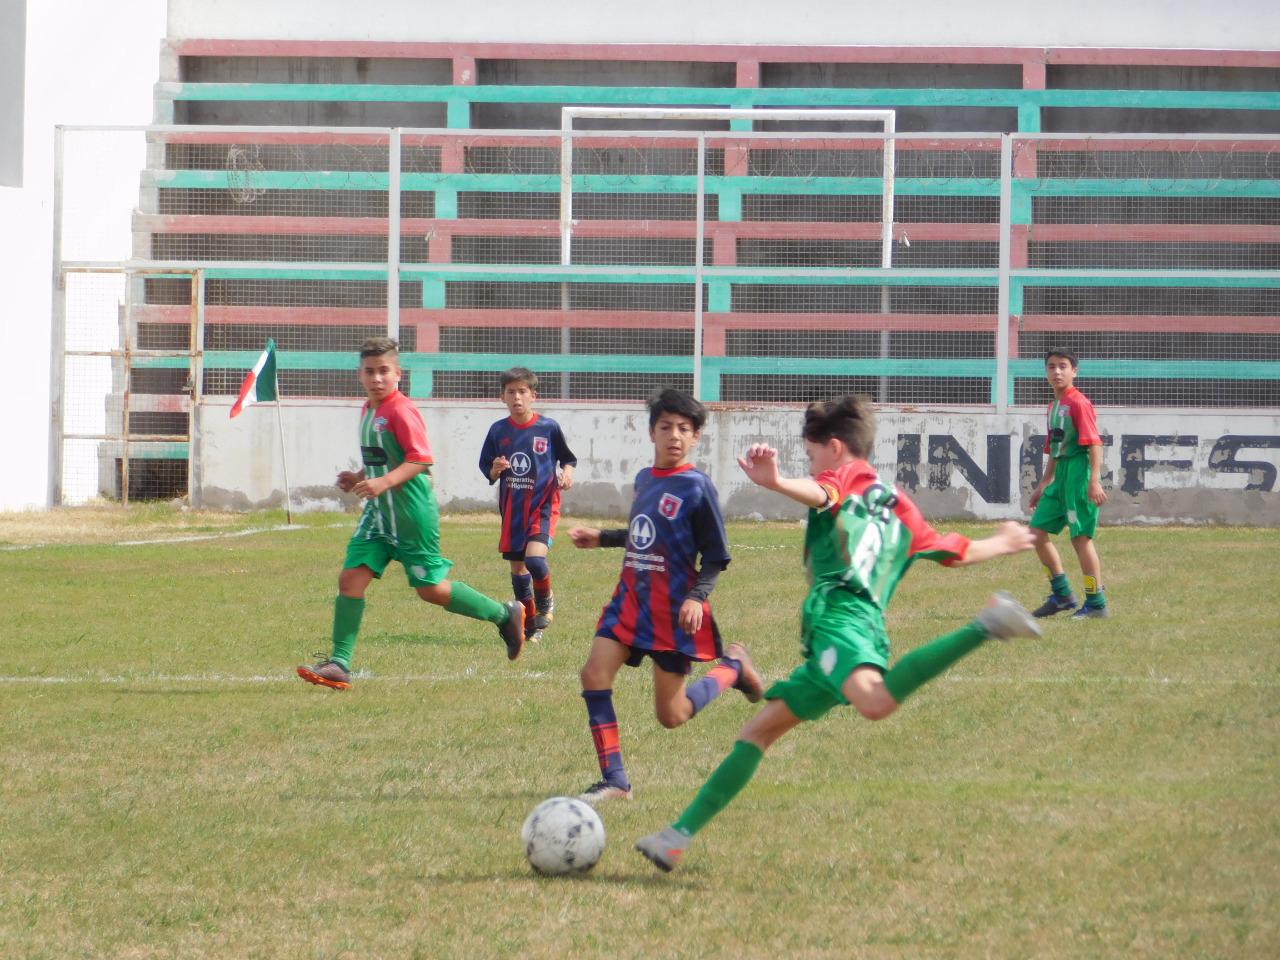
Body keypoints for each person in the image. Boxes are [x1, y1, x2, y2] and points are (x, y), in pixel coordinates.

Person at [634, 395, 1040, 872]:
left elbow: (824, 494)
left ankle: (985, 625)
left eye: (811, 456)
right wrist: (1005, 542)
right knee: (757, 732)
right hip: (860, 626)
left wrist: (779, 481)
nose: (812, 465)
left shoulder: (841, 477)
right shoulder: (900, 504)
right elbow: (956, 552)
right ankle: (675, 837)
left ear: (834, 448)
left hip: (838, 620)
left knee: (874, 702)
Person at [568, 388, 763, 806]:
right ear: (651, 432)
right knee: (593, 674)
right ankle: (615, 780)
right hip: (630, 602)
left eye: (684, 429)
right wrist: (601, 538)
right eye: (666, 427)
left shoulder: (698, 487)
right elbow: (646, 534)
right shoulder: (644, 479)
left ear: (695, 438)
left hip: (673, 614)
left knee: (671, 716)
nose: (674, 435)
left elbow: (715, 555)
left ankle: (733, 668)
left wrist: (697, 597)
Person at [296, 337, 525, 690]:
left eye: (384, 371)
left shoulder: (401, 411)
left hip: (410, 515)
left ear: (398, 374)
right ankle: (340, 663)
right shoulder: (367, 410)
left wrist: (383, 482)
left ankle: (504, 614)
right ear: (360, 374)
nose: (376, 379)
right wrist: (359, 477)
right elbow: (382, 456)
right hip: (378, 517)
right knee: (350, 579)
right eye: (370, 372)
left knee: (431, 589)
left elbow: (420, 458)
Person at [478, 368, 577, 643]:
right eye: (511, 392)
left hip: (542, 506)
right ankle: (531, 625)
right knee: (518, 571)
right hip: (512, 510)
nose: (517, 397)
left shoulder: (548, 428)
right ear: (502, 397)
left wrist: (567, 473)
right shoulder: (498, 430)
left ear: (534, 396)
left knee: (534, 560)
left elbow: (568, 458)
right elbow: (486, 466)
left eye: (522, 391)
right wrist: (495, 470)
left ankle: (546, 602)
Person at [1027, 347, 1110, 619]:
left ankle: (1096, 603)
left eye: (1063, 366)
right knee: (1036, 533)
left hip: (1078, 473)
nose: (1057, 371)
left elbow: (1094, 443)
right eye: (1051, 366)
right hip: (1060, 474)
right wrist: (1043, 484)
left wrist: (1094, 481)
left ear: (1074, 371)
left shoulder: (1078, 403)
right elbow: (1054, 447)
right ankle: (1062, 595)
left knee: (1080, 539)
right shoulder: (1052, 406)